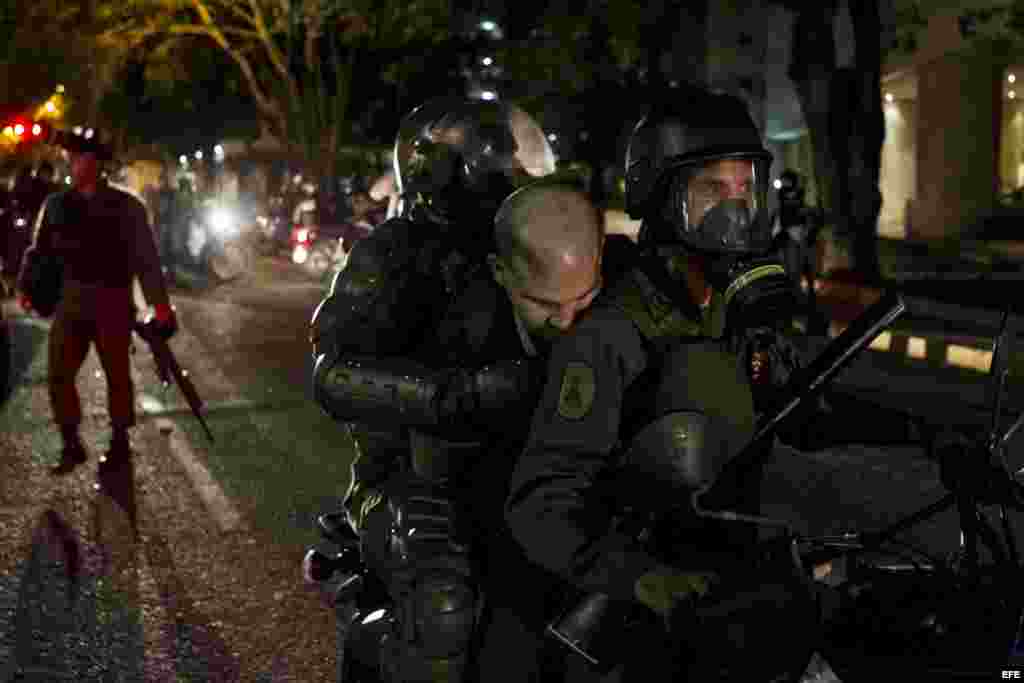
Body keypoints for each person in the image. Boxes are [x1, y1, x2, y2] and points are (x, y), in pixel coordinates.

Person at [504, 87, 933, 682]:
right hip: (660, 623)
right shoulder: (612, 335)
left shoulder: (740, 319)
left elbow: (809, 416)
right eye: (710, 190)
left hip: (757, 596)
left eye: (743, 189)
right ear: (659, 197)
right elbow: (541, 502)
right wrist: (642, 579)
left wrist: (928, 444)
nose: (734, 210)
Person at [309, 96, 620, 681]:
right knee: (442, 601)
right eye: (488, 169)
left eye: (514, 167)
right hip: (411, 474)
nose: (507, 180)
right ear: (436, 175)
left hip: (533, 466)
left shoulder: (541, 243)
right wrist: (463, 394)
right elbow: (332, 374)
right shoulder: (395, 253)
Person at [16, 132, 177, 475]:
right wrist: (27, 288)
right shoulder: (57, 204)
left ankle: (119, 442)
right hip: (71, 301)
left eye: (80, 158)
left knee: (118, 376)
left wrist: (160, 307)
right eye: (72, 158)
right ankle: (71, 441)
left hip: (113, 302)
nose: (74, 164)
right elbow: (39, 251)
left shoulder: (128, 206)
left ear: (97, 163)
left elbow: (147, 261)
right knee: (58, 373)